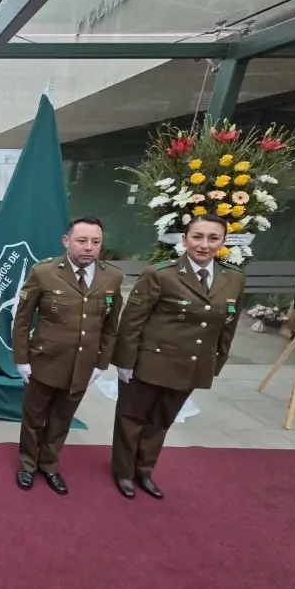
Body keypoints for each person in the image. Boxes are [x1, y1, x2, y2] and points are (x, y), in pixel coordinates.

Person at [110, 213, 246, 499]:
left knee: (162, 420)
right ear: (185, 240)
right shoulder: (160, 274)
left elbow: (228, 324)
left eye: (213, 238)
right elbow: (132, 321)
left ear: (223, 242)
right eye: (197, 237)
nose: (204, 245)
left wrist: (216, 362)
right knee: (132, 418)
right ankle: (123, 471)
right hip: (150, 361)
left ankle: (144, 470)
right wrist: (124, 362)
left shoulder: (233, 278)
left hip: (191, 364)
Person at [12, 217, 124, 495]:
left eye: (95, 242)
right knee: (34, 417)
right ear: (66, 241)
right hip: (45, 361)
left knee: (63, 418)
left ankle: (49, 464)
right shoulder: (45, 272)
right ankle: (27, 464)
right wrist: (21, 359)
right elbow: (22, 320)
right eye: (82, 240)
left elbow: (111, 326)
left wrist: (102, 362)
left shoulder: (112, 276)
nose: (89, 247)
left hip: (82, 365)